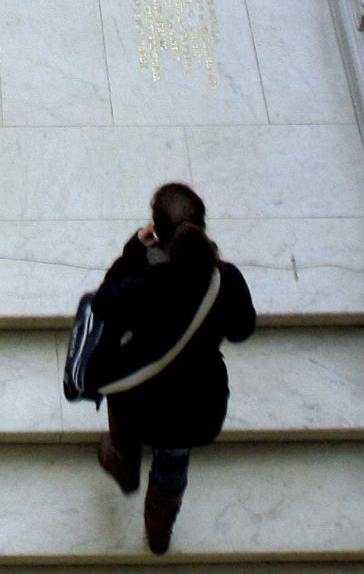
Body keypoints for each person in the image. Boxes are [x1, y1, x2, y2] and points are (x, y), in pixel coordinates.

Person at [86, 182, 258, 554]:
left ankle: (124, 462)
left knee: (116, 380)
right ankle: (159, 531)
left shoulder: (145, 283)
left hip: (141, 403)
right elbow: (242, 330)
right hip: (198, 407)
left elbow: (102, 304)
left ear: (157, 232)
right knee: (173, 463)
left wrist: (133, 251)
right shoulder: (224, 279)